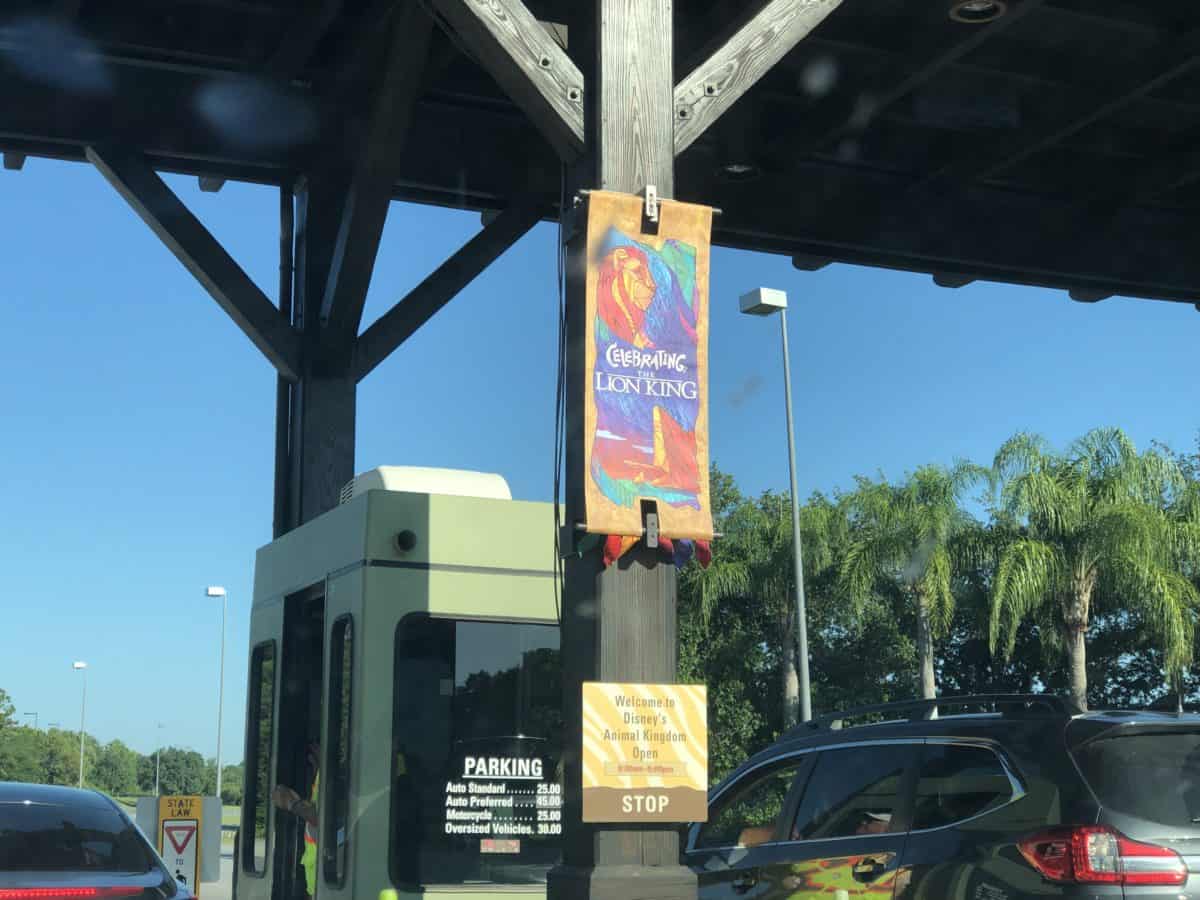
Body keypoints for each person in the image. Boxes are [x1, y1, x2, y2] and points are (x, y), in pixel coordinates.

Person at [273, 742, 320, 899]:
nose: (310, 758)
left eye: (313, 751)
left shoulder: (327, 777)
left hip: (323, 883)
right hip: (316, 884)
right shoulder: (319, 778)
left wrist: (291, 803)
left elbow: (320, 816)